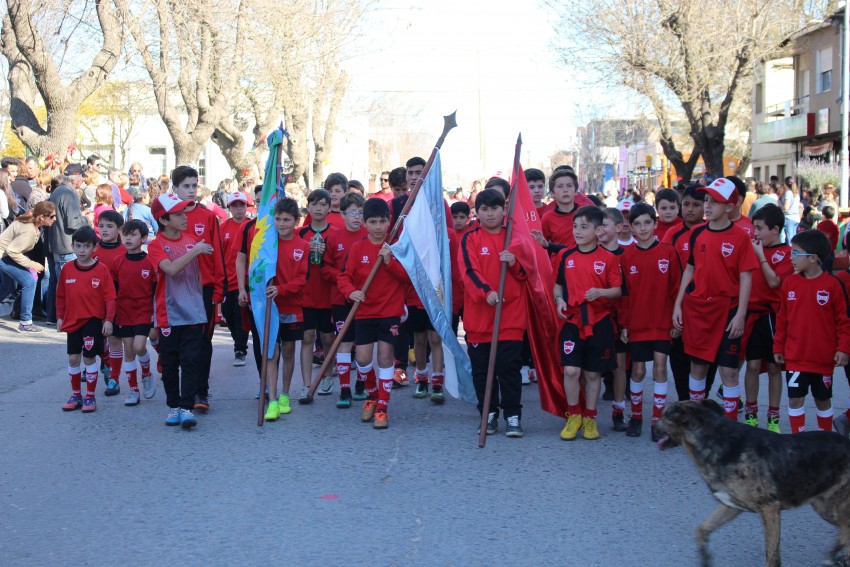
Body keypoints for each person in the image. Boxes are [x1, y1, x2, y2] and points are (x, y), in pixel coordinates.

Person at [672, 178, 758, 420]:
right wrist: (678, 304)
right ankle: (696, 420)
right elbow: (690, 269)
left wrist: (741, 314)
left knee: (729, 371)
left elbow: (746, 277)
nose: (708, 206)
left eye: (715, 202)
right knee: (697, 367)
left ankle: (730, 425)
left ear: (730, 206)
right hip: (699, 309)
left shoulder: (740, 237)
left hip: (728, 309)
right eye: (707, 200)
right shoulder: (697, 233)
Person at [459, 188, 529, 437]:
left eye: (495, 208)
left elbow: (528, 274)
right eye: (484, 209)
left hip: (510, 316)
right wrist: (486, 292)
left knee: (509, 369)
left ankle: (513, 416)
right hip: (479, 319)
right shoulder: (470, 238)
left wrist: (514, 263)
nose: (490, 214)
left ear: (504, 210)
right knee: (482, 372)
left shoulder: (515, 237)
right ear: (476, 212)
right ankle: (488, 413)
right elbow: (469, 271)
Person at [337, 198, 409, 429]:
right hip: (364, 311)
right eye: (373, 222)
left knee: (385, 357)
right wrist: (351, 292)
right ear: (364, 223)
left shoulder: (397, 246)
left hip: (390, 310)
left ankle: (383, 407)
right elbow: (344, 276)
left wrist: (389, 261)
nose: (378, 227)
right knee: (363, 359)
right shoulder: (358, 248)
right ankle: (372, 394)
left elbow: (408, 277)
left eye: (382, 221)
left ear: (389, 221)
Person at [554, 205, 623, 440]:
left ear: (598, 231)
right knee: (571, 370)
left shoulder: (608, 258)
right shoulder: (566, 256)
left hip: (599, 321)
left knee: (593, 374)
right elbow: (558, 285)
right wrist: (559, 300)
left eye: (584, 227)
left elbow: (617, 290)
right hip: (573, 320)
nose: (577, 231)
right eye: (575, 226)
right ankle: (573, 415)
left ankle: (590, 418)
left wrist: (601, 292)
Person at [147, 192, 214, 428]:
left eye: (184, 212)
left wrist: (200, 302)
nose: (185, 217)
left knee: (190, 361)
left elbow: (198, 276)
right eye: (178, 214)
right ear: (164, 220)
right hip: (169, 313)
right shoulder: (155, 245)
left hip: (193, 313)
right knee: (169, 364)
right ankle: (173, 406)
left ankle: (186, 408)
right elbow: (171, 269)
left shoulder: (192, 240)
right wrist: (195, 250)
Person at [774, 230, 850, 433]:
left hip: (822, 359)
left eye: (796, 253)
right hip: (795, 357)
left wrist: (843, 348)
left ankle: (824, 440)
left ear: (813, 258)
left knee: (822, 400)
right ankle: (799, 440)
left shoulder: (833, 285)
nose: (791, 258)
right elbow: (782, 319)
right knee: (795, 399)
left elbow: (843, 321)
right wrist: (778, 346)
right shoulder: (789, 283)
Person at [619, 203, 681, 439]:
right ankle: (636, 417)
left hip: (662, 322)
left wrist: (676, 321)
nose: (643, 228)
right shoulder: (627, 257)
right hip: (637, 323)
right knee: (637, 369)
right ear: (631, 227)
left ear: (655, 224)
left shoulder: (668, 253)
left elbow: (676, 289)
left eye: (647, 223)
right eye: (637, 224)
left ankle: (658, 420)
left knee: (660, 367)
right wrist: (624, 324)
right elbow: (624, 294)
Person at [170, 165, 225, 412]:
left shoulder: (208, 216)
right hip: (176, 289)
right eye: (186, 186)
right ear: (175, 189)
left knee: (203, 341)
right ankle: (180, 393)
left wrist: (218, 290)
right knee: (179, 342)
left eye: (194, 185)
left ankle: (200, 392)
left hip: (204, 289)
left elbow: (218, 256)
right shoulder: (167, 216)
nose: (191, 190)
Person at [741, 204, 793, 433]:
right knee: (752, 365)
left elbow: (774, 282)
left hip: (773, 316)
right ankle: (751, 414)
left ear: (775, 229)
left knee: (774, 368)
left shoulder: (787, 253)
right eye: (754, 227)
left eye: (760, 228)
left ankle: (773, 417)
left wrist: (761, 256)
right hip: (752, 314)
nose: (756, 233)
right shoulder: (750, 248)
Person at [57, 227, 116, 413]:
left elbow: (110, 297)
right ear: (72, 246)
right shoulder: (67, 269)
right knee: (73, 358)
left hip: (92, 320)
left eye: (86, 246)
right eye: (78, 246)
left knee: (88, 357)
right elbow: (60, 296)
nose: (82, 250)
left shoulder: (101, 269)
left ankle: (90, 396)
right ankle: (76, 395)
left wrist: (108, 320)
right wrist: (60, 317)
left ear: (94, 248)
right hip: (72, 320)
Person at [262, 198, 309, 421]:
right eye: (278, 219)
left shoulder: (303, 246)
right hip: (270, 307)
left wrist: (281, 289)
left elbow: (301, 279)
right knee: (272, 352)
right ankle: (272, 400)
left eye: (287, 220)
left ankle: (284, 395)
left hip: (291, 306)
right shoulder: (267, 243)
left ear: (296, 221)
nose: (281, 224)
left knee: (288, 351)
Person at [321, 192, 367, 408]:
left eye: (361, 212)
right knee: (344, 342)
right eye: (352, 212)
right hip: (341, 299)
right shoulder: (334, 238)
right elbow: (325, 269)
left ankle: (361, 384)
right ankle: (345, 388)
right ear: (342, 214)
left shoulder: (370, 235)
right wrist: (343, 277)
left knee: (363, 343)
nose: (357, 217)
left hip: (365, 299)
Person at [110, 219, 158, 406]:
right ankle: (133, 390)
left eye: (133, 235)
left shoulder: (150, 262)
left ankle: (146, 373)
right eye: (126, 235)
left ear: (144, 238)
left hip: (144, 311)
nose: (128, 239)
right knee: (128, 351)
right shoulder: (118, 261)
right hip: (124, 312)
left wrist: (155, 312)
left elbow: (156, 290)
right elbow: (113, 290)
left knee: (139, 347)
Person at [297, 188, 338, 401]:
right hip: (306, 295)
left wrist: (325, 254)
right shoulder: (300, 234)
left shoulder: (335, 234)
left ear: (330, 208)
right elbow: (292, 261)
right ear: (308, 207)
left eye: (323, 204)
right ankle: (306, 384)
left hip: (328, 296)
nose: (318, 208)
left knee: (328, 338)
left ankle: (328, 376)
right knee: (307, 337)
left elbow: (339, 266)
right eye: (314, 204)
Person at [0, 201, 55, 332]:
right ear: (42, 217)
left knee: (8, 286)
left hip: (5, 255)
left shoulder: (32, 220)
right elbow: (12, 251)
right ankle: (25, 322)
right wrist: (31, 264)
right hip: (4, 256)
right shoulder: (29, 230)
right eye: (52, 216)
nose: (54, 219)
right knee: (29, 282)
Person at [47, 164, 90, 324]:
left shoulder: (58, 190)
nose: (83, 180)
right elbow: (73, 223)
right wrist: (87, 220)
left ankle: (54, 317)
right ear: (76, 177)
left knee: (58, 284)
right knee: (69, 285)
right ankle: (66, 318)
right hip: (67, 245)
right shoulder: (68, 193)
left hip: (58, 244)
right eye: (82, 177)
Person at [220, 191, 249, 367]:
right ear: (229, 208)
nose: (239, 209)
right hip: (227, 280)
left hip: (245, 280)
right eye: (235, 206)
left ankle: (240, 349)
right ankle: (238, 340)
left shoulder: (252, 226)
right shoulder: (223, 228)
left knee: (240, 315)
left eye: (242, 205)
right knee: (228, 315)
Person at [780, 176, 801, 244]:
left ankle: (791, 251)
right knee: (794, 240)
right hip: (796, 218)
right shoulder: (796, 193)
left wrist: (779, 205)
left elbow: (786, 207)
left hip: (789, 218)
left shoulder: (788, 193)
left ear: (785, 184)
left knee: (790, 241)